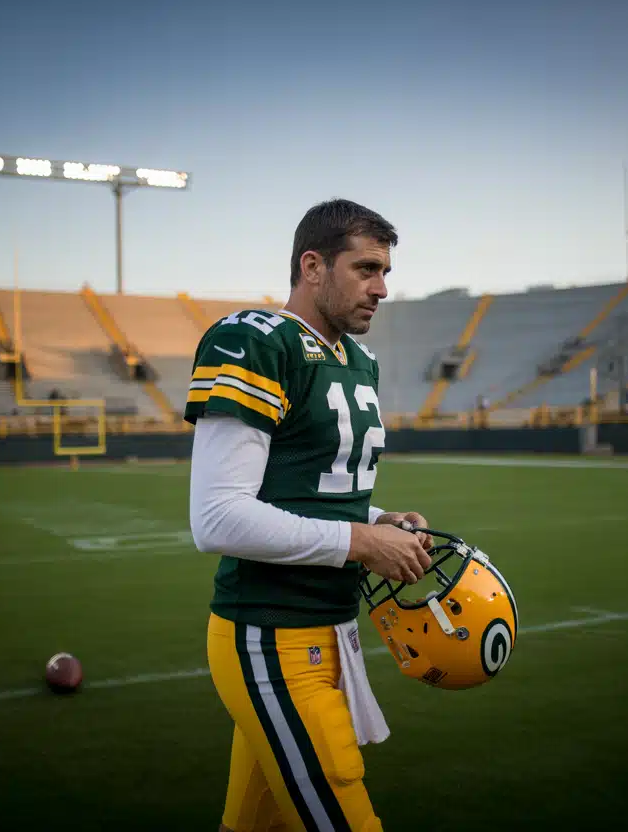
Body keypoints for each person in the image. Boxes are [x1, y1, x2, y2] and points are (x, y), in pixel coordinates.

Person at [187, 199, 434, 832]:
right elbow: (217, 517)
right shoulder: (253, 341)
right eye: (366, 269)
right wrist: (360, 541)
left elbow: (313, 491)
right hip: (270, 635)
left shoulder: (357, 359)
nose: (381, 289)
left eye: (386, 273)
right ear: (313, 265)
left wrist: (378, 520)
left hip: (330, 631)